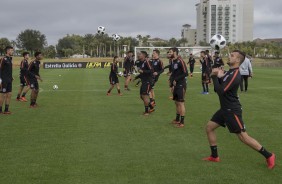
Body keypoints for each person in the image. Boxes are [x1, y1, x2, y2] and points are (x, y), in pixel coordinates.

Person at [203, 50, 275, 169]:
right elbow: (219, 89)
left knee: (243, 137)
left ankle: (269, 155)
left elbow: (221, 91)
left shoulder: (235, 74)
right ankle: (214, 156)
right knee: (209, 128)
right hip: (225, 109)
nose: (229, 56)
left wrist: (215, 77)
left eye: (232, 56)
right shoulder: (228, 73)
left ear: (237, 60)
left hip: (232, 110)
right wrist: (218, 77)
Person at [169, 48, 188, 128]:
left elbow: (186, 73)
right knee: (176, 102)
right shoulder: (173, 61)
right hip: (175, 85)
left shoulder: (180, 60)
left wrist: (176, 79)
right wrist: (171, 84)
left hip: (181, 84)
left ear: (175, 52)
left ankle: (182, 122)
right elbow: (173, 73)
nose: (169, 53)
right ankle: (177, 119)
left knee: (180, 103)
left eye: (170, 52)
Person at [134, 51, 154, 115]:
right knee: (141, 96)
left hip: (148, 81)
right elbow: (142, 73)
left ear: (143, 55)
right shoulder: (141, 62)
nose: (138, 55)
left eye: (140, 54)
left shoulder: (147, 61)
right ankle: (151, 107)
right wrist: (136, 78)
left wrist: (143, 71)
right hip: (144, 81)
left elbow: (151, 70)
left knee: (145, 96)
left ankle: (146, 112)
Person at [0, 46, 14, 114]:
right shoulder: (3, 59)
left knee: (9, 94)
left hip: (9, 80)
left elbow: (8, 70)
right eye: (11, 50)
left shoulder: (10, 59)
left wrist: (11, 77)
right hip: (3, 80)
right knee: (3, 95)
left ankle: (6, 110)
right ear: (8, 51)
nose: (12, 52)